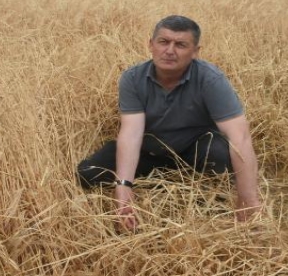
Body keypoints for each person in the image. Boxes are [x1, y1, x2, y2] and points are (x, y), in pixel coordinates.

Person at [77, 15, 260, 230]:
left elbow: (239, 136)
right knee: (87, 173)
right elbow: (132, 132)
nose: (170, 50)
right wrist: (123, 188)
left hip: (193, 151)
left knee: (220, 158)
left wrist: (248, 198)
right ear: (151, 45)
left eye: (181, 45)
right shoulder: (133, 78)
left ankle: (193, 194)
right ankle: (162, 184)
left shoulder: (211, 79)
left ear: (195, 52)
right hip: (150, 151)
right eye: (163, 42)